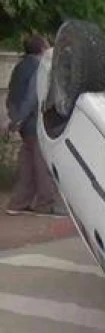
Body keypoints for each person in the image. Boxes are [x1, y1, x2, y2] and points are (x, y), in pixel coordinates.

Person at [5, 35, 61, 217]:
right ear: (42, 48)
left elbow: (12, 95)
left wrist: (14, 119)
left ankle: (18, 203)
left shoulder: (20, 67)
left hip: (23, 124)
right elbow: (33, 96)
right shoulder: (40, 67)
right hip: (34, 123)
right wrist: (20, 119)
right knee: (41, 163)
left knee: (28, 164)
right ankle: (45, 203)